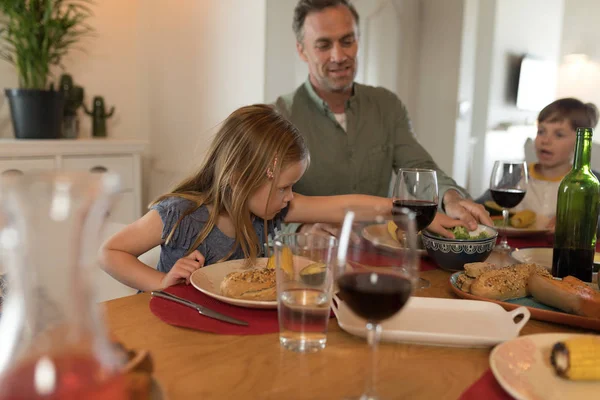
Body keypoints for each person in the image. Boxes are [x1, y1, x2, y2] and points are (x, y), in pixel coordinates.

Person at [100, 105, 464, 292]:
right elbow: (109, 253)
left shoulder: (271, 208)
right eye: (285, 187)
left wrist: (407, 212)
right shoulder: (182, 213)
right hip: (172, 331)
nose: (291, 197)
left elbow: (345, 206)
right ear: (244, 177)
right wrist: (160, 283)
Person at [274, 0, 492, 236]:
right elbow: (260, 209)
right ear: (301, 50)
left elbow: (419, 167)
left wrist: (450, 197)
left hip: (381, 255)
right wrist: (301, 232)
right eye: (323, 45)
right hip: (309, 262)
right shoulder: (278, 117)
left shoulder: (387, 106)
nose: (338, 56)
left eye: (347, 41)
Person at [478, 98, 599, 229]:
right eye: (541, 131)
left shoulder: (590, 183)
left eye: (559, 135)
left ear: (580, 142)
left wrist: (578, 220)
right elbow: (482, 205)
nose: (545, 140)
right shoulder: (517, 175)